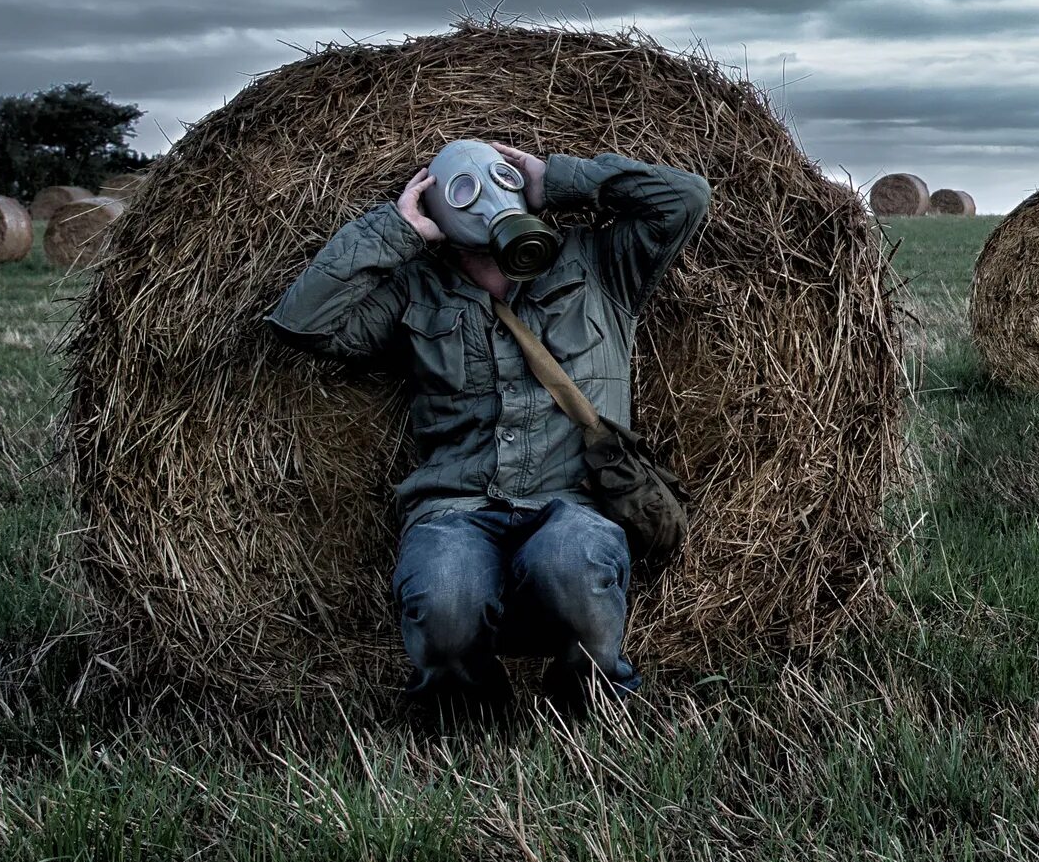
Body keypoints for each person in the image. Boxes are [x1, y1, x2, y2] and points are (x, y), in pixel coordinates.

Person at [268, 142, 711, 714]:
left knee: (573, 564)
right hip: (455, 503)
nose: (489, 198)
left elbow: (685, 197)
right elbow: (302, 324)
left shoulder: (601, 266)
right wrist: (395, 230)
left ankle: (592, 702)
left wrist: (555, 178)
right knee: (443, 599)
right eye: (465, 192)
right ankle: (465, 714)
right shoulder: (416, 289)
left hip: (572, 498)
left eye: (497, 178)